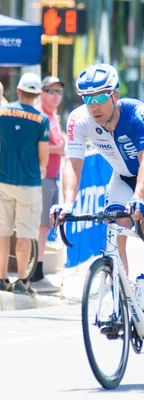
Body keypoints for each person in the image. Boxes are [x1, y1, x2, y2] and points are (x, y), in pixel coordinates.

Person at [51, 64, 144, 329]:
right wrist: (67, 203)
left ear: (115, 95)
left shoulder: (138, 113)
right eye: (87, 99)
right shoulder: (78, 120)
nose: (94, 105)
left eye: (100, 97)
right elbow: (72, 163)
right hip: (123, 178)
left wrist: (139, 198)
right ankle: (120, 303)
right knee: (114, 230)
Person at [0, 73, 49, 295]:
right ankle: (21, 281)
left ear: (18, 91)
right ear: (37, 95)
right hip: (28, 183)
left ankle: (1, 279)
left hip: (3, 179)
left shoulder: (2, 112)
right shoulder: (41, 120)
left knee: (2, 233)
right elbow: (44, 155)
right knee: (25, 234)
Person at [31, 76, 65, 293]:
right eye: (51, 91)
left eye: (59, 92)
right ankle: (36, 272)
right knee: (41, 227)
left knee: (45, 227)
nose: (56, 96)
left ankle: (37, 270)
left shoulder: (53, 116)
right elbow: (37, 147)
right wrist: (58, 149)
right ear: (41, 93)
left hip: (52, 177)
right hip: (42, 177)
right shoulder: (40, 116)